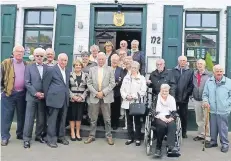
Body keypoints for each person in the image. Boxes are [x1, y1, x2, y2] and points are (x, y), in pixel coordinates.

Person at [84, 52, 116, 145]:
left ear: (105, 60)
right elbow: (88, 83)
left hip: (106, 97)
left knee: (107, 119)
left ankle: (109, 136)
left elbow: (112, 83)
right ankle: (91, 136)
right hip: (95, 96)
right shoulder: (92, 69)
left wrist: (103, 92)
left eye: (102, 59)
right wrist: (96, 93)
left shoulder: (110, 69)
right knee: (93, 118)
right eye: (99, 59)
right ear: (96, 60)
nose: (101, 61)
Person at [1, 45, 27, 146]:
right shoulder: (6, 63)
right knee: (6, 116)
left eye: (21, 52)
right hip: (9, 94)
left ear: (24, 54)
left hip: (22, 94)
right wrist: (2, 91)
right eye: (17, 51)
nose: (19, 53)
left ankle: (20, 134)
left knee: (22, 116)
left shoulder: (26, 64)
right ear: (13, 53)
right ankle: (4, 137)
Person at [43, 53, 70, 148]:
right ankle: (50, 139)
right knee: (52, 120)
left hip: (64, 99)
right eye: (62, 60)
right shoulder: (51, 70)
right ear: (58, 60)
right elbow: (45, 85)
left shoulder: (67, 70)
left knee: (62, 119)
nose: (63, 62)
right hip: (53, 99)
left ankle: (61, 137)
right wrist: (48, 98)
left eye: (65, 60)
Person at [203, 64, 231, 153]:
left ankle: (225, 144)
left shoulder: (229, 82)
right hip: (212, 109)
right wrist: (206, 101)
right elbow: (205, 94)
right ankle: (213, 141)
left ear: (223, 72)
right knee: (213, 128)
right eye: (217, 71)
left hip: (223, 110)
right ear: (214, 72)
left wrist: (227, 104)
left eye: (221, 71)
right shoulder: (209, 81)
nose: (219, 73)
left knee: (223, 128)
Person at [23, 48, 47, 148]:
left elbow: (48, 82)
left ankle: (38, 135)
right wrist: (35, 93)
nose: (39, 57)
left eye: (41, 56)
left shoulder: (47, 67)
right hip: (32, 97)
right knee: (29, 119)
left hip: (43, 97)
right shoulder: (29, 67)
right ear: (34, 56)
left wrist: (45, 93)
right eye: (37, 55)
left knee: (41, 119)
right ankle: (26, 139)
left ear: (43, 57)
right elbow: (27, 82)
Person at [120, 61, 147, 146]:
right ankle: (130, 137)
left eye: (135, 68)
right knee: (129, 121)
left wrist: (134, 96)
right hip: (127, 102)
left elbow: (143, 91)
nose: (133, 69)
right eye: (132, 67)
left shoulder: (142, 78)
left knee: (137, 121)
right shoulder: (126, 77)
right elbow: (122, 89)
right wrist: (126, 96)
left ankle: (138, 138)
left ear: (138, 69)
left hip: (136, 102)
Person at [171, 56, 193, 138]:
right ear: (178, 61)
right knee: (173, 115)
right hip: (174, 97)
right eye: (181, 60)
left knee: (184, 115)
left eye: (184, 60)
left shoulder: (190, 71)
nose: (182, 62)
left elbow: (191, 85)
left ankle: (184, 132)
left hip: (184, 97)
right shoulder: (173, 71)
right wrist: (172, 95)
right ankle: (173, 131)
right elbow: (172, 83)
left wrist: (186, 94)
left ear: (186, 62)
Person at [154, 84, 178, 157]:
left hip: (169, 116)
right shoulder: (156, 98)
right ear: (160, 91)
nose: (164, 92)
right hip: (159, 116)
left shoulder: (171, 98)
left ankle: (171, 146)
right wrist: (161, 117)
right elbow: (152, 111)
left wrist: (171, 118)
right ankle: (158, 148)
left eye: (166, 91)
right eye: (163, 91)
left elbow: (174, 111)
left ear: (168, 91)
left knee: (172, 124)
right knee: (162, 126)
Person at [192, 59, 211, 142]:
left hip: (206, 100)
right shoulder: (194, 74)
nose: (199, 65)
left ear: (204, 65)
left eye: (201, 64)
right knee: (198, 118)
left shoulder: (209, 75)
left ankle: (207, 135)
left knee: (206, 118)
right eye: (198, 64)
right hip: (196, 99)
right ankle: (200, 134)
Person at [68, 60, 88, 141]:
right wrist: (72, 96)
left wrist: (82, 97)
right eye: (76, 65)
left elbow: (87, 88)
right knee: (72, 116)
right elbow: (67, 87)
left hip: (81, 100)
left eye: (79, 65)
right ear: (74, 66)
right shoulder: (70, 75)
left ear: (82, 66)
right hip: (72, 99)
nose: (78, 66)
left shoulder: (86, 75)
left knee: (79, 116)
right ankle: (72, 132)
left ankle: (78, 133)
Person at [110, 54, 123, 130]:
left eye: (116, 60)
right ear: (111, 60)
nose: (114, 61)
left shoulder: (120, 69)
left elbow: (120, 80)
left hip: (116, 92)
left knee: (116, 109)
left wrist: (114, 84)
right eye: (113, 60)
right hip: (107, 93)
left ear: (118, 61)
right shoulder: (107, 68)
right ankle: (108, 124)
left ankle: (115, 123)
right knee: (108, 109)